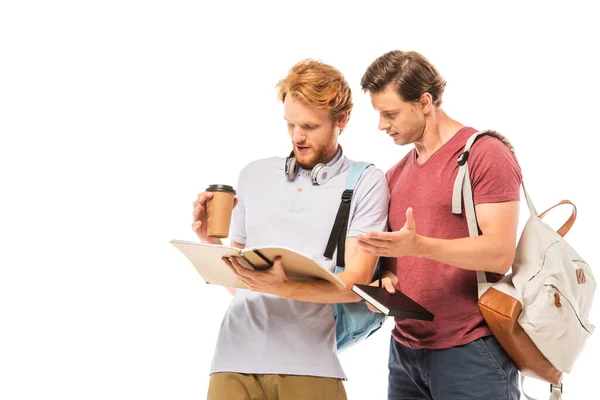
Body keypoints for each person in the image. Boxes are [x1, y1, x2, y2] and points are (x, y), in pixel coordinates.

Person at [192, 59, 389, 400]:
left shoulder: (366, 182)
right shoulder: (253, 175)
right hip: (232, 356)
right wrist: (208, 240)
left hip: (309, 362)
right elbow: (241, 278)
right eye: (290, 125)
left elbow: (355, 284)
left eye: (310, 126)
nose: (298, 137)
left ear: (342, 120)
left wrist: (285, 287)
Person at [357, 50, 521, 400]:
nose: (382, 125)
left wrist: (421, 246)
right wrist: (383, 281)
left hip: (471, 351)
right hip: (404, 353)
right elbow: (395, 261)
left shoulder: (483, 153)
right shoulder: (395, 175)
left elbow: (500, 253)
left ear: (425, 102)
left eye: (390, 113)